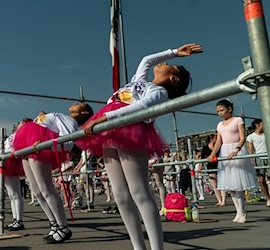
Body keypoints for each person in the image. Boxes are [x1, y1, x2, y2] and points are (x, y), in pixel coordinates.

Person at [76, 43, 202, 250]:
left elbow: (141, 107)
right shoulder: (138, 81)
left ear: (173, 79)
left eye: (171, 64)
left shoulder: (159, 92)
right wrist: (174, 52)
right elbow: (146, 60)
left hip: (129, 131)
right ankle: (138, 247)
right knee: (120, 195)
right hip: (109, 130)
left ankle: (156, 247)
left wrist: (106, 117)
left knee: (139, 191)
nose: (165, 63)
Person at [13, 102, 94, 244]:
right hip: (29, 145)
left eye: (80, 104)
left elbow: (67, 142)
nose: (75, 103)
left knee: (46, 190)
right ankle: (54, 224)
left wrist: (46, 145)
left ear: (84, 113)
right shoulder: (62, 117)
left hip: (38, 148)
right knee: (37, 191)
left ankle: (63, 227)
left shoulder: (69, 121)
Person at [207, 99, 257, 223]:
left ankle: (242, 211)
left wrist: (236, 149)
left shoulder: (238, 120)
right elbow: (218, 141)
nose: (220, 113)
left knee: (237, 183)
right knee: (230, 185)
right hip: (225, 151)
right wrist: (213, 153)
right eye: (218, 111)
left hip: (236, 149)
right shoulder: (219, 125)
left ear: (229, 109)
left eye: (222, 110)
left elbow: (243, 137)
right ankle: (238, 212)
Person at [246, 118, 270, 206]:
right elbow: (250, 150)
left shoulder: (266, 134)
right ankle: (268, 198)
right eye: (262, 123)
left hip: (268, 156)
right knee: (261, 180)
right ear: (257, 125)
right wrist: (252, 160)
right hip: (259, 158)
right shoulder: (251, 137)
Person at [201, 134, 223, 206]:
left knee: (222, 183)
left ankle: (223, 200)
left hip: (220, 165)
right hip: (210, 166)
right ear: (212, 139)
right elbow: (202, 158)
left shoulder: (219, 147)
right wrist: (199, 168)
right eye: (215, 138)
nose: (217, 139)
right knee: (214, 184)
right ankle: (219, 200)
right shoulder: (205, 148)